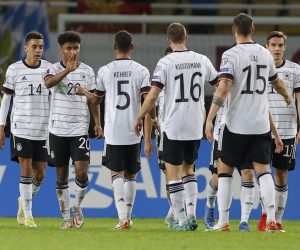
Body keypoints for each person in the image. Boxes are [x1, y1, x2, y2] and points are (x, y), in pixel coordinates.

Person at [205, 13, 291, 232]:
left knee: (224, 171)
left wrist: (210, 116)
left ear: (234, 30)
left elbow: (223, 87)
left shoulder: (231, 55)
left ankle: (223, 223)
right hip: (261, 124)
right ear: (253, 30)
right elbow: (277, 82)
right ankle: (271, 219)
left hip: (236, 124)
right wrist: (287, 97)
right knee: (263, 171)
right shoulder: (264, 54)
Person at [134, 23, 218, 231]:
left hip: (173, 124)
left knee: (173, 173)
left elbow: (153, 95)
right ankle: (191, 215)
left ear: (168, 40)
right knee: (189, 170)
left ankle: (181, 221)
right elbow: (221, 85)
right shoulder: (202, 60)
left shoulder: (165, 62)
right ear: (186, 37)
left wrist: (139, 116)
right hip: (195, 124)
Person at [76, 30, 151, 229]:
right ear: (132, 47)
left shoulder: (105, 70)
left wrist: (84, 91)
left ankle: (123, 218)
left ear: (114, 47)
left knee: (116, 174)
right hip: (134, 131)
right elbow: (148, 101)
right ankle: (128, 216)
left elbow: (96, 100)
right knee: (131, 175)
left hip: (114, 131)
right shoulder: (142, 70)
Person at [44, 31, 102, 229]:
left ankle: (77, 206)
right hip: (57, 130)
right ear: (62, 50)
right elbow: (48, 83)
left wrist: (97, 122)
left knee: (81, 173)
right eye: (69, 48)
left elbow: (94, 100)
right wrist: (67, 71)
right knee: (61, 176)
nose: (73, 51)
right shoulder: (52, 68)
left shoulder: (87, 71)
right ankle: (66, 218)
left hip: (79, 129)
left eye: (76, 48)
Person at [0, 31, 52, 228]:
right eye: (34, 47)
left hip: (42, 129)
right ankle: (29, 215)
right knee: (26, 169)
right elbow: (6, 100)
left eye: (41, 47)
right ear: (25, 48)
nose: (38, 50)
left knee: (40, 174)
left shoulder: (48, 69)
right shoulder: (14, 69)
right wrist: (1, 126)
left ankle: (23, 200)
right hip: (20, 127)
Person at [204, 105, 283, 231]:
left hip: (248, 132)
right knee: (217, 178)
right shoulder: (227, 85)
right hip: (223, 132)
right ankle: (210, 204)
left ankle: (243, 222)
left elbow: (264, 106)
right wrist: (209, 120)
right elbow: (220, 91)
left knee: (248, 174)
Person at [257, 31, 300, 232]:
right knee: (263, 174)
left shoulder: (295, 70)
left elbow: (299, 99)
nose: (276, 48)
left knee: (281, 176)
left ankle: (278, 220)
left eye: (280, 45)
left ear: (285, 47)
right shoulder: (260, 68)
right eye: (273, 45)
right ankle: (267, 216)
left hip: (287, 130)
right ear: (267, 46)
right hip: (262, 131)